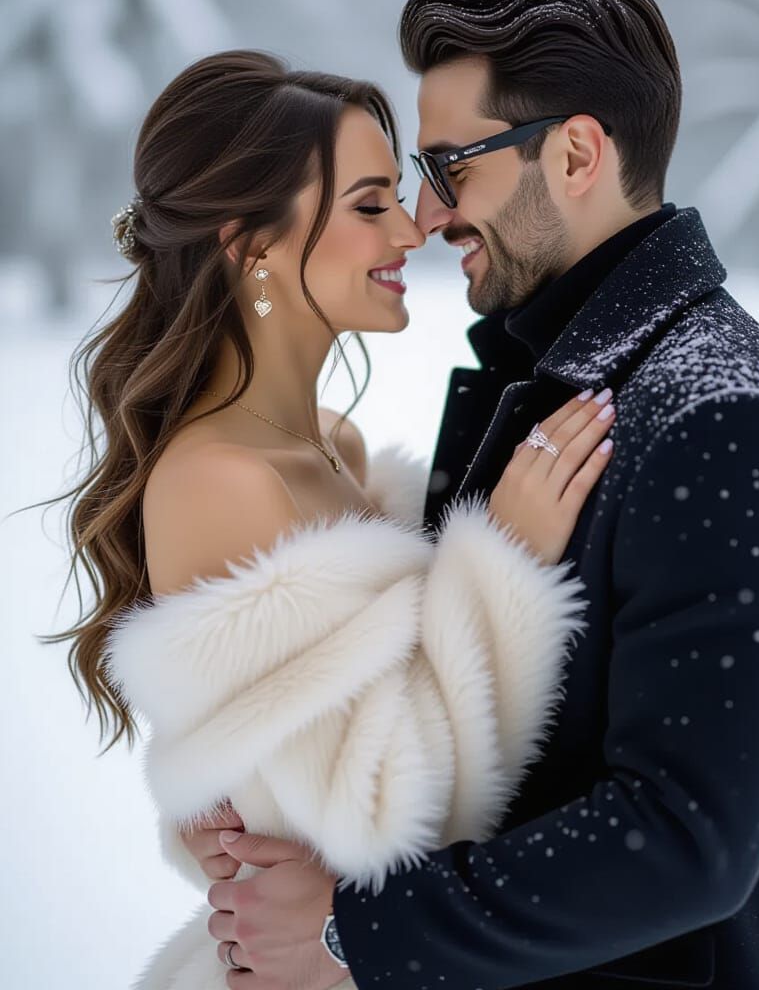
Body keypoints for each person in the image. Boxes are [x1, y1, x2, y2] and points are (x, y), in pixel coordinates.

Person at [177, 0, 759, 990]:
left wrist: (351, 930)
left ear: (576, 154)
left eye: (451, 167)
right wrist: (265, 801)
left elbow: (683, 840)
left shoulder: (725, 420)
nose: (426, 211)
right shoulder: (554, 381)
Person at [53, 49, 620, 988]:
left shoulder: (333, 445)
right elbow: (386, 815)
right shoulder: (224, 482)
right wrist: (502, 567)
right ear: (250, 243)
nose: (412, 228)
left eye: (398, 195)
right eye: (368, 206)